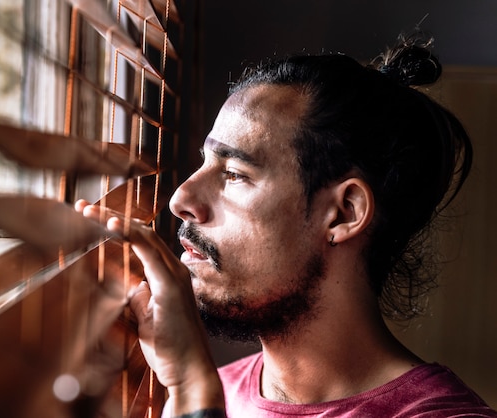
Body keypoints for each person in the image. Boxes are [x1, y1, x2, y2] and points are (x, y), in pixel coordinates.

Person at [77, 32, 497, 417]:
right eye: (205, 163)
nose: (181, 201)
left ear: (344, 212)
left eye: (235, 174)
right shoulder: (217, 393)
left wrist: (190, 387)